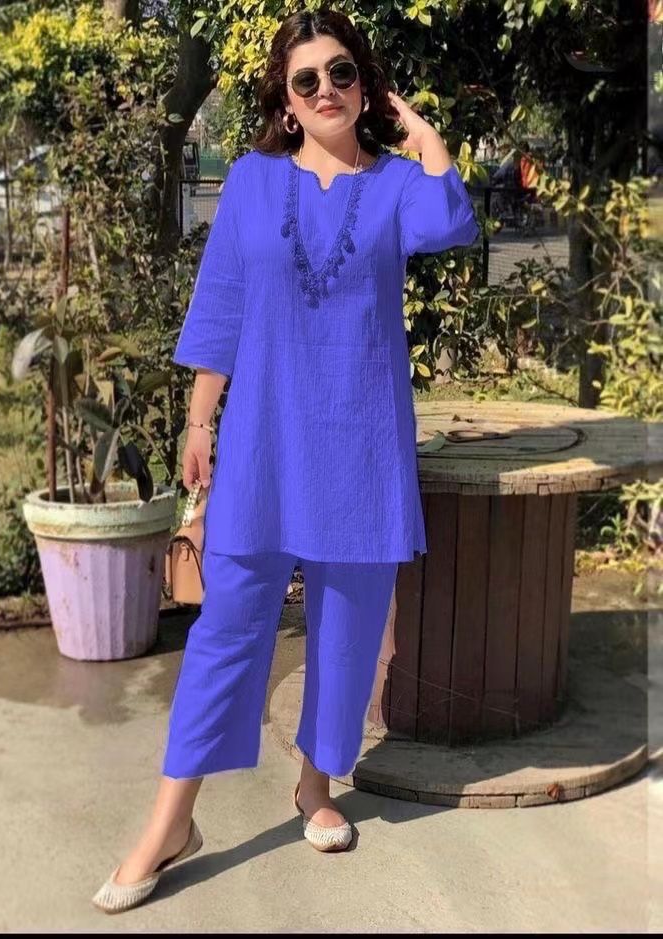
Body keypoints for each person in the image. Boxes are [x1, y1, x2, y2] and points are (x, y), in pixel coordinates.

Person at [92, 7, 480, 915]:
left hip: (361, 443)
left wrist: (421, 131)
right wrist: (199, 422)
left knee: (347, 630)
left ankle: (315, 785)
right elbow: (222, 302)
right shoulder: (253, 181)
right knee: (227, 627)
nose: (326, 91)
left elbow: (450, 219)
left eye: (342, 73)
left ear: (364, 85)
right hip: (264, 441)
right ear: (285, 100)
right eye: (307, 80)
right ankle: (169, 821)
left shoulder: (395, 186)